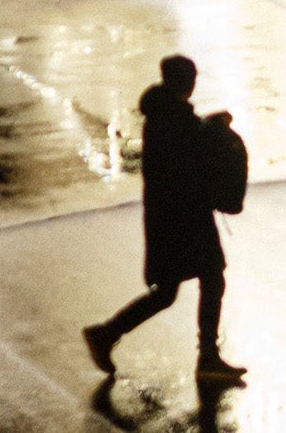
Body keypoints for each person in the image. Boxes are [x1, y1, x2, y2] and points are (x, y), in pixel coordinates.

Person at [83, 55, 244, 390]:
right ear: (187, 81)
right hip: (184, 217)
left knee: (168, 291)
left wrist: (208, 125)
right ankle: (207, 358)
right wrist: (214, 128)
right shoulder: (174, 118)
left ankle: (107, 334)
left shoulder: (161, 113)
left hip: (168, 216)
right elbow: (190, 155)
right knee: (210, 277)